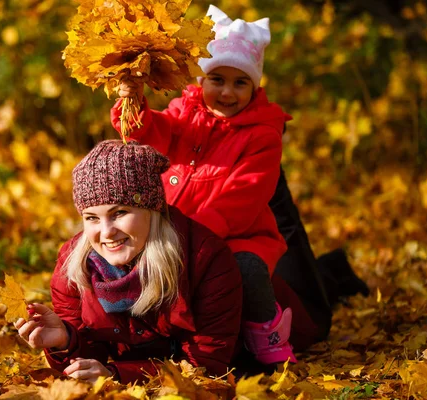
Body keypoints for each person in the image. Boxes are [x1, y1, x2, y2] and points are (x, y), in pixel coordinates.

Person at [114, 5, 296, 366]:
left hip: (235, 235)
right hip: (174, 230)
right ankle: (147, 334)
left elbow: (245, 194)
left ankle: (266, 332)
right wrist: (130, 102)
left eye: (240, 82)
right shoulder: (185, 112)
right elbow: (149, 134)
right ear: (202, 80)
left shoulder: (262, 133)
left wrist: (195, 234)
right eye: (218, 80)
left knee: (247, 268)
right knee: (136, 261)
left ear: (254, 85)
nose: (227, 92)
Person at [14, 140, 244, 384]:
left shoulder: (204, 257)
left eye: (119, 213)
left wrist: (119, 376)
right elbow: (91, 361)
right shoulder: (73, 263)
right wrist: (65, 340)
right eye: (92, 218)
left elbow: (206, 365)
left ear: (152, 208)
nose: (106, 232)